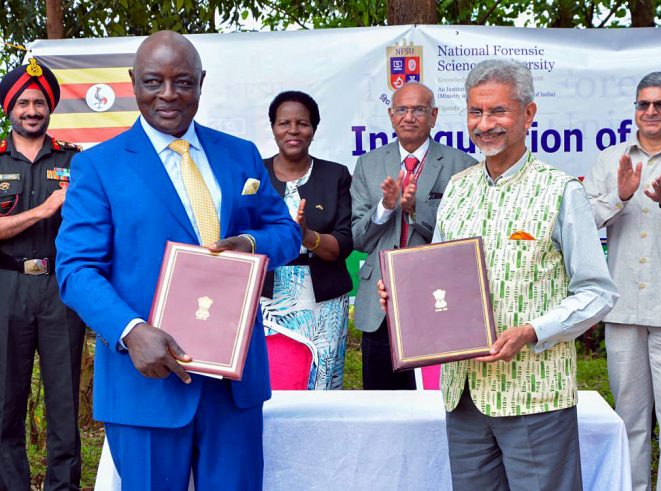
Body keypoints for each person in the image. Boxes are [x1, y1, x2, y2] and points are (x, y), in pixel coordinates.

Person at [55, 31, 300, 490]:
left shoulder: (240, 155)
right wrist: (130, 333)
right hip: (145, 379)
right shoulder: (99, 166)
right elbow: (76, 270)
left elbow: (286, 233)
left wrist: (249, 243)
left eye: (183, 82)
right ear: (132, 82)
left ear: (201, 82)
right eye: (153, 82)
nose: (168, 95)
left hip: (233, 383)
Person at [380, 59, 618, 489]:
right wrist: (403, 296)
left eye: (498, 112)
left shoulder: (560, 191)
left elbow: (597, 292)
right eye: (476, 112)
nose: (484, 124)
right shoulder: (459, 187)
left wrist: (531, 330)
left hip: (533, 393)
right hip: (463, 393)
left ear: (527, 114)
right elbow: (440, 278)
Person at [584, 72, 661, 491]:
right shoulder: (610, 159)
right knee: (628, 420)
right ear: (635, 109)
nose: (650, 112)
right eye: (643, 104)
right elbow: (586, 222)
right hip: (623, 308)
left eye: (660, 104)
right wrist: (622, 196)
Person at [350, 81, 475, 390]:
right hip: (382, 301)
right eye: (402, 110)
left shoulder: (463, 166)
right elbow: (358, 238)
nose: (409, 117)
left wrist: (415, 212)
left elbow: (463, 239)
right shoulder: (369, 164)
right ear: (391, 116)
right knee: (381, 400)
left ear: (433, 116)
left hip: (437, 297)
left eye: (418, 109)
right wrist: (386, 207)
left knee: (434, 397)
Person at [0, 59, 85, 491]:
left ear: (49, 107)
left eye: (39, 102)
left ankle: (63, 487)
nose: (31, 110)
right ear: (8, 109)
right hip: (6, 286)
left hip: (61, 288)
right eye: (23, 103)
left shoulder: (76, 160)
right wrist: (45, 210)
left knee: (63, 403)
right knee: (4, 402)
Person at [261, 91, 352, 390]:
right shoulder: (254, 173)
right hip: (267, 298)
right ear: (273, 127)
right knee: (273, 379)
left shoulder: (335, 175)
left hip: (322, 298)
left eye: (302, 123)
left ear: (314, 128)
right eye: (284, 123)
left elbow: (344, 242)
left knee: (322, 384)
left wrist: (308, 236)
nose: (293, 130)